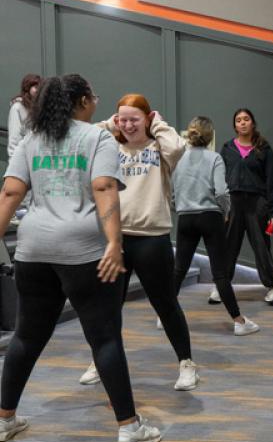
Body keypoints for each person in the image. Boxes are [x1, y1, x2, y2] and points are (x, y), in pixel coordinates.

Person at [0, 74, 160, 442]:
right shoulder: (97, 137)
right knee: (104, 336)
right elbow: (104, 188)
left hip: (34, 249)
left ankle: (4, 419)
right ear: (83, 101)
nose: (95, 103)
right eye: (94, 97)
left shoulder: (31, 140)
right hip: (83, 252)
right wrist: (114, 243)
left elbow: (10, 193)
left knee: (26, 337)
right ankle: (128, 429)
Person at [79, 94, 199, 391]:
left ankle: (186, 363)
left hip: (152, 238)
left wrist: (157, 123)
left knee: (165, 304)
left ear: (147, 118)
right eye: (123, 119)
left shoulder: (160, 148)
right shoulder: (110, 145)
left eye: (135, 119)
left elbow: (178, 146)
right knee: (108, 308)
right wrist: (112, 122)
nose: (128, 125)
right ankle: (101, 359)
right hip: (113, 238)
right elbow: (88, 135)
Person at [173, 116, 260, 336]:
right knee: (220, 273)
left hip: (185, 218)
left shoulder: (177, 159)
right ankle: (239, 321)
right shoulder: (215, 159)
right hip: (210, 216)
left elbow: (171, 193)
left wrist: (180, 207)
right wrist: (225, 211)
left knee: (178, 270)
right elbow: (221, 192)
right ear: (210, 135)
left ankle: (164, 316)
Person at [208, 108, 273, 306]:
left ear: (252, 123)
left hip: (257, 203)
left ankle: (272, 287)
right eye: (238, 120)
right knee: (228, 247)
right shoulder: (227, 148)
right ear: (234, 126)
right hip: (232, 203)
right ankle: (220, 286)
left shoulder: (263, 148)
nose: (242, 123)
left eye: (246, 119)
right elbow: (219, 179)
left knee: (261, 247)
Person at [7, 73, 41, 159]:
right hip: (23, 159)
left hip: (37, 159)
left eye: (40, 88)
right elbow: (14, 139)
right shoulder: (17, 108)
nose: (38, 90)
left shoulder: (39, 106)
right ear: (27, 88)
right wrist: (14, 163)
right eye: (36, 87)